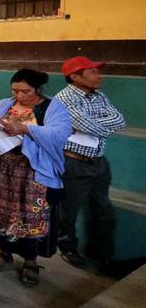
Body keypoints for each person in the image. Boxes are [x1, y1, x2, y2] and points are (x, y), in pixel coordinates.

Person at [0, 69, 71, 286]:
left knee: (29, 216)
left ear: (38, 89)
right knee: (2, 212)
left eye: (25, 91)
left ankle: (31, 261)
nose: (19, 96)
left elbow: (59, 134)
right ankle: (4, 252)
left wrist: (26, 129)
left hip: (31, 173)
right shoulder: (4, 104)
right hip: (2, 169)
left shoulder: (53, 108)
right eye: (15, 91)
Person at [54, 57, 126, 270]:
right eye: (92, 72)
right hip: (74, 162)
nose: (99, 76)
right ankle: (67, 247)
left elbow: (120, 121)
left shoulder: (99, 95)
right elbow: (89, 126)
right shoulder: (64, 99)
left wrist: (91, 124)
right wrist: (95, 124)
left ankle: (102, 253)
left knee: (103, 210)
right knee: (69, 211)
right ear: (75, 77)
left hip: (99, 162)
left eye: (97, 71)